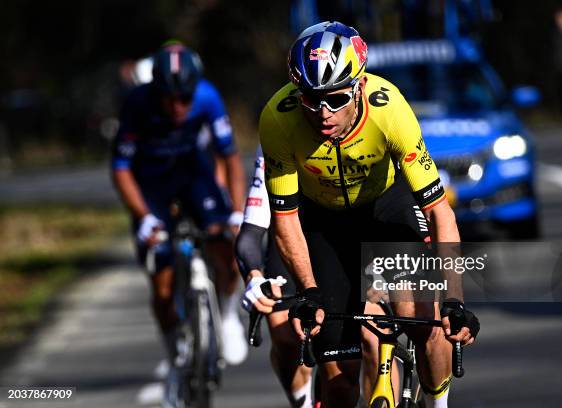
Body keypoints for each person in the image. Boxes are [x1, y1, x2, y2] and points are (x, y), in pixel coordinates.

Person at [259, 21, 479, 408]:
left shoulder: (389, 109)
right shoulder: (278, 119)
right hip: (324, 222)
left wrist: (454, 301)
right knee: (340, 385)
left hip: (385, 208)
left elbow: (439, 211)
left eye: (336, 99)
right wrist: (308, 291)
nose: (323, 112)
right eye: (311, 99)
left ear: (359, 86)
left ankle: (439, 404)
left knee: (421, 318)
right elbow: (286, 219)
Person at [110, 41, 247, 407]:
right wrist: (144, 218)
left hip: (192, 175)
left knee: (227, 243)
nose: (178, 108)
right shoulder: (137, 103)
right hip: (151, 184)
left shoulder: (207, 97)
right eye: (170, 100)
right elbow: (121, 168)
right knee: (163, 283)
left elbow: (229, 157)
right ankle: (175, 361)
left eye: (184, 99)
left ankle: (229, 312)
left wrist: (234, 212)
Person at [235, 146, 404, 407]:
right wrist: (254, 277)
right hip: (292, 235)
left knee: (374, 334)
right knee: (283, 328)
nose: (323, 113)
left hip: (350, 236)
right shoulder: (278, 139)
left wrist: (381, 270)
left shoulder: (362, 129)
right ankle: (302, 401)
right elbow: (250, 233)